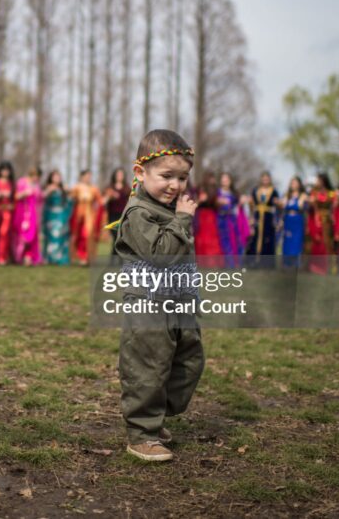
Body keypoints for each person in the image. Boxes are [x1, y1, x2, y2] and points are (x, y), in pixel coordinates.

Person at [111, 130, 203, 463]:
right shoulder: (139, 214)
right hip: (148, 305)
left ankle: (156, 416)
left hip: (178, 303)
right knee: (148, 366)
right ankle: (141, 433)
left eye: (182, 177)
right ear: (140, 173)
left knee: (188, 361)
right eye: (167, 176)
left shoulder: (169, 210)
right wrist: (182, 220)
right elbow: (162, 254)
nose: (176, 185)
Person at [69, 170, 103, 266]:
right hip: (79, 215)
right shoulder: (77, 187)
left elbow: (100, 201)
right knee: (79, 235)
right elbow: (71, 198)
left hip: (89, 216)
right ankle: (81, 257)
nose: (88, 178)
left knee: (88, 236)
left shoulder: (94, 189)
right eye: (87, 176)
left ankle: (88, 257)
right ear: (82, 176)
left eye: (90, 176)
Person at [246, 171, 279, 268]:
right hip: (257, 216)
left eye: (267, 178)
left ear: (270, 180)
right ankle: (252, 262)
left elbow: (277, 205)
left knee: (267, 238)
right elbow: (251, 204)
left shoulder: (274, 191)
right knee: (255, 237)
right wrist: (251, 216)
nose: (265, 180)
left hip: (268, 217)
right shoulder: (256, 190)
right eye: (263, 178)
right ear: (261, 179)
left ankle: (266, 263)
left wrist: (277, 203)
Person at [12, 166, 43, 265]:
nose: (35, 178)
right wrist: (25, 193)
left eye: (37, 176)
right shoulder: (22, 182)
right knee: (23, 234)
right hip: (23, 213)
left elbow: (40, 200)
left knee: (33, 235)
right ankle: (20, 255)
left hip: (34, 214)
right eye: (33, 175)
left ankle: (29, 256)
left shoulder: (37, 185)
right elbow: (16, 196)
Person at [307, 173, 337, 275]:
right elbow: (310, 205)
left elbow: (335, 205)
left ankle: (329, 267)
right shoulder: (313, 192)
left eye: (319, 180)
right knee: (317, 242)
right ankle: (316, 266)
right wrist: (311, 201)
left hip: (327, 222)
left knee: (327, 243)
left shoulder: (331, 193)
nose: (317, 182)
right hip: (316, 220)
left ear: (323, 181)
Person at [193, 172, 224, 268]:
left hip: (211, 216)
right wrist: (200, 200)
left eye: (213, 179)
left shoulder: (215, 190)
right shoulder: (200, 189)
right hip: (203, 216)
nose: (212, 181)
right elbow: (197, 202)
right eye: (211, 179)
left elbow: (216, 205)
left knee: (213, 239)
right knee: (202, 239)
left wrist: (219, 203)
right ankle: (203, 262)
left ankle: (213, 263)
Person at [42, 170, 71, 265]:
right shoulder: (48, 187)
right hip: (50, 215)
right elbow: (42, 198)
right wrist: (48, 191)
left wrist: (68, 192)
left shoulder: (63, 189)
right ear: (51, 178)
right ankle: (49, 258)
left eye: (59, 177)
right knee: (51, 236)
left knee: (61, 235)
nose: (57, 179)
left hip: (61, 214)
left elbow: (69, 201)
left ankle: (60, 258)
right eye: (55, 177)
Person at [0, 162, 16, 265]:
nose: (5, 172)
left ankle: (3, 257)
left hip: (8, 213)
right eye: (3, 169)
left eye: (7, 170)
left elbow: (15, 199)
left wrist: (12, 205)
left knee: (5, 234)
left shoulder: (12, 184)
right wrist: (1, 194)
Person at [281, 176, 307, 269]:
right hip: (288, 221)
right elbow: (283, 207)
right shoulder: (287, 196)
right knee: (287, 242)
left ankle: (296, 264)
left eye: (295, 183)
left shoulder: (302, 196)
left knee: (296, 242)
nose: (293, 185)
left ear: (299, 184)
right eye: (292, 183)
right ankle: (286, 264)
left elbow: (301, 207)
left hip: (297, 221)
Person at [104, 168, 131, 241]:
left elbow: (130, 201)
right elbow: (103, 202)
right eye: (118, 174)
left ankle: (115, 252)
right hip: (112, 215)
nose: (119, 176)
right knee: (114, 235)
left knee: (120, 235)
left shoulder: (127, 188)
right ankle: (115, 251)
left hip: (122, 215)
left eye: (121, 175)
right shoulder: (110, 187)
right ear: (115, 176)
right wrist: (110, 196)